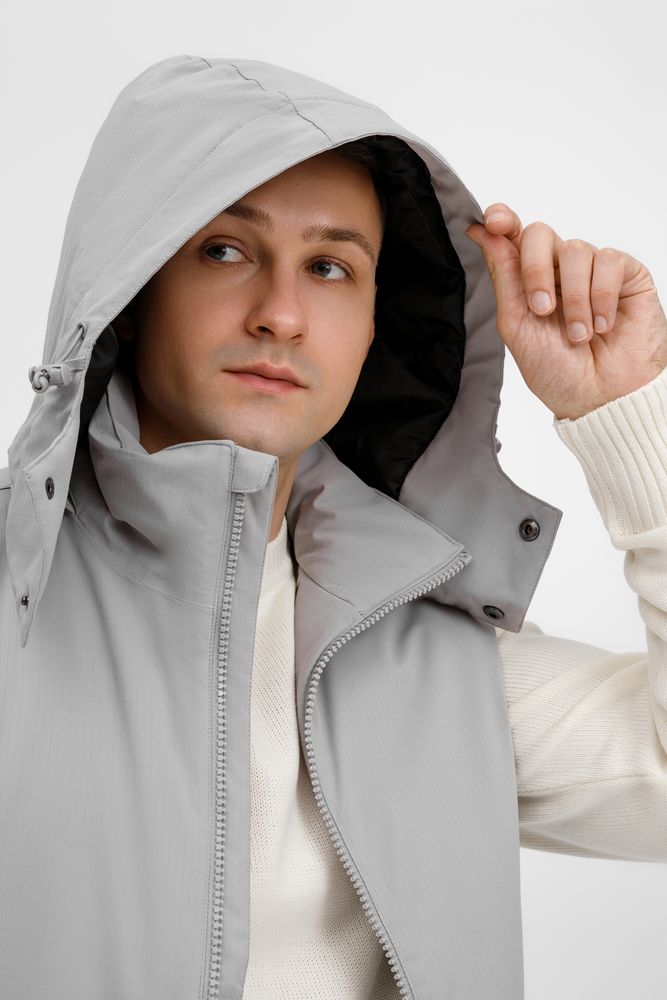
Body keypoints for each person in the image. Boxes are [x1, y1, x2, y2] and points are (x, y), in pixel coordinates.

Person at [1, 54, 666, 1000]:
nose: (280, 314)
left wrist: (627, 415)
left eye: (329, 267)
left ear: (374, 325)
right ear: (133, 290)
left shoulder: (434, 654)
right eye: (224, 250)